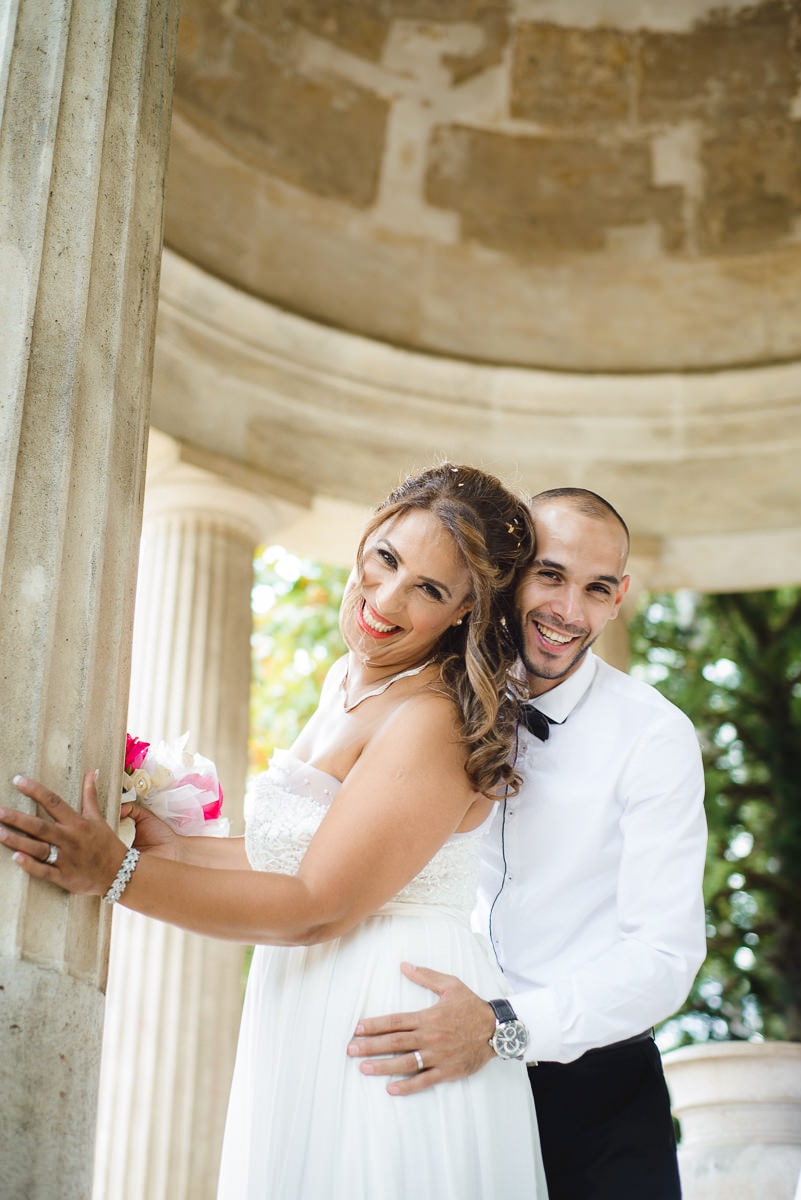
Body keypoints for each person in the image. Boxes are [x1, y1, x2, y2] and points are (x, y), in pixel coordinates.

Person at [0, 463, 550, 1199]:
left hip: (388, 1022)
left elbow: (317, 903)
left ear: (464, 612)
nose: (384, 600)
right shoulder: (350, 680)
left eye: (428, 589)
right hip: (311, 999)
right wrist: (178, 851)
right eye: (385, 559)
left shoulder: (434, 718)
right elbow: (306, 853)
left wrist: (116, 876)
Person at [348, 487, 708, 1200]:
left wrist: (499, 1028)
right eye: (549, 574)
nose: (568, 612)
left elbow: (664, 956)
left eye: (595, 588)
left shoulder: (653, 737)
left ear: (618, 598)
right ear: (505, 574)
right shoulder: (425, 698)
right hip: (436, 1088)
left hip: (599, 1105)